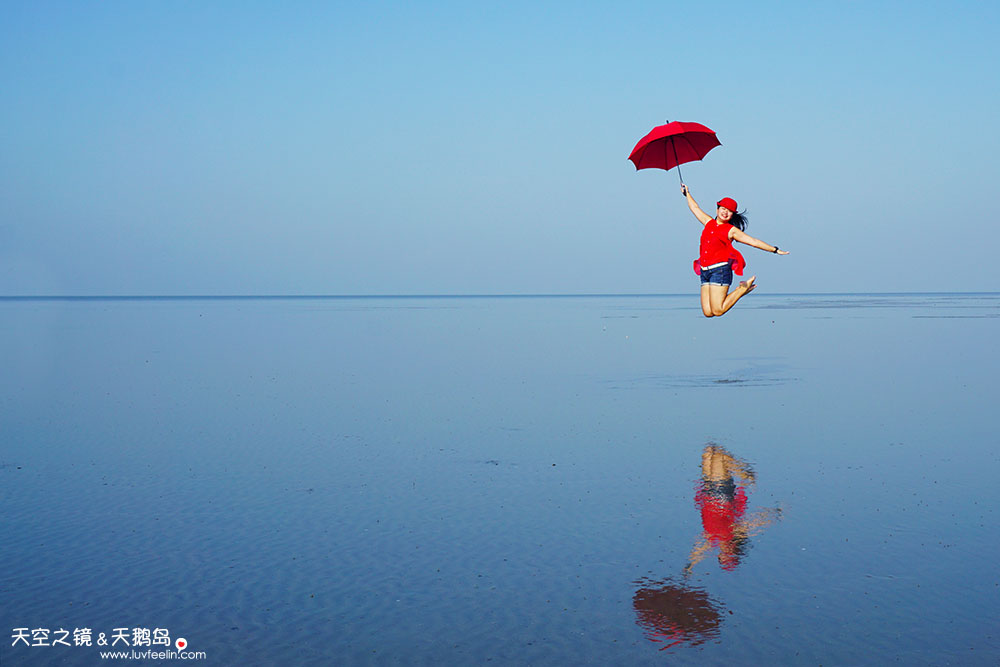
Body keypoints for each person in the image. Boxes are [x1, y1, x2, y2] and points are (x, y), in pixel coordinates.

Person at [680, 183, 789, 317]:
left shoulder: (731, 231)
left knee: (718, 311)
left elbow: (753, 242)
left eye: (729, 211)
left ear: (732, 215)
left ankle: (741, 289)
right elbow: (695, 208)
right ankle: (742, 290)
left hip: (719, 270)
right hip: (704, 270)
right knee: (708, 313)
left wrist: (775, 249)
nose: (725, 212)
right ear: (717, 209)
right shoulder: (708, 222)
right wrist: (687, 193)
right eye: (723, 208)